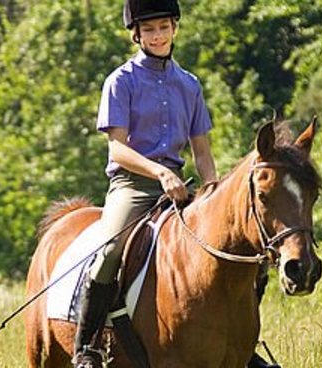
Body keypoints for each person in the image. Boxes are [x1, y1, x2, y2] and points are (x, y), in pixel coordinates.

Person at [72, 0, 221, 366]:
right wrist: (158, 172)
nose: (157, 36)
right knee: (108, 252)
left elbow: (201, 152)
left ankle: (241, 344)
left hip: (181, 189)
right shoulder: (120, 81)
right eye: (149, 29)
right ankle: (85, 347)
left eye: (163, 27)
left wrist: (213, 189)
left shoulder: (190, 85)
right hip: (133, 186)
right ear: (136, 34)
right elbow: (117, 151)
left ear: (175, 28)